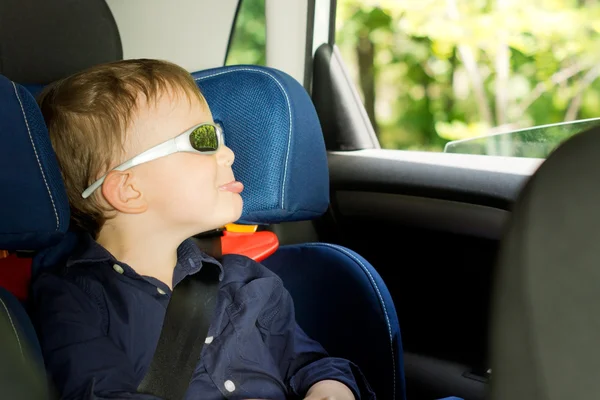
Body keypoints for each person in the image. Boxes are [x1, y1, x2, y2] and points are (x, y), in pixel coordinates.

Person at [31, 59, 374, 400]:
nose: (227, 153)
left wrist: (329, 388)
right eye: (203, 140)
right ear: (128, 190)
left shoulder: (248, 282)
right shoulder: (73, 301)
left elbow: (310, 364)